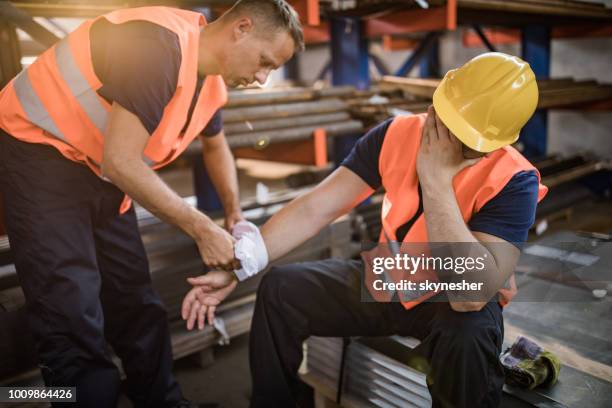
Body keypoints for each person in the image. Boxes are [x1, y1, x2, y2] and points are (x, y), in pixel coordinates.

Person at [182, 52, 548, 407]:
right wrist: (240, 263)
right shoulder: (394, 135)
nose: (454, 144)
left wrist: (435, 179)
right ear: (437, 106)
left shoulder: (514, 180)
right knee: (280, 290)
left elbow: (469, 295)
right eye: (449, 127)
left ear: (500, 143)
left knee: (469, 335)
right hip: (389, 282)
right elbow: (314, 208)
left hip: (450, 304)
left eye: (471, 144)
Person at [0, 1, 303, 407]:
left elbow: (216, 147)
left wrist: (232, 213)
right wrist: (202, 228)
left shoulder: (210, 81)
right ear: (241, 28)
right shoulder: (158, 45)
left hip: (99, 168)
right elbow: (122, 161)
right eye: (265, 62)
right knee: (70, 311)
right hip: (38, 151)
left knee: (136, 300)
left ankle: (162, 400)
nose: (263, 78)